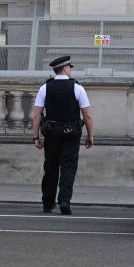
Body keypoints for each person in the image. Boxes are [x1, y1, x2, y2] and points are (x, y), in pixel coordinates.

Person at [31, 56, 95, 216]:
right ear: (65, 68)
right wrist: (90, 135)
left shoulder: (45, 87)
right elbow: (87, 115)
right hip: (72, 133)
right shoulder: (77, 88)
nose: (71, 70)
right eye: (70, 67)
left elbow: (36, 115)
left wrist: (36, 137)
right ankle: (64, 201)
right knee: (68, 167)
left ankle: (47, 203)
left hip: (51, 133)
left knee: (50, 167)